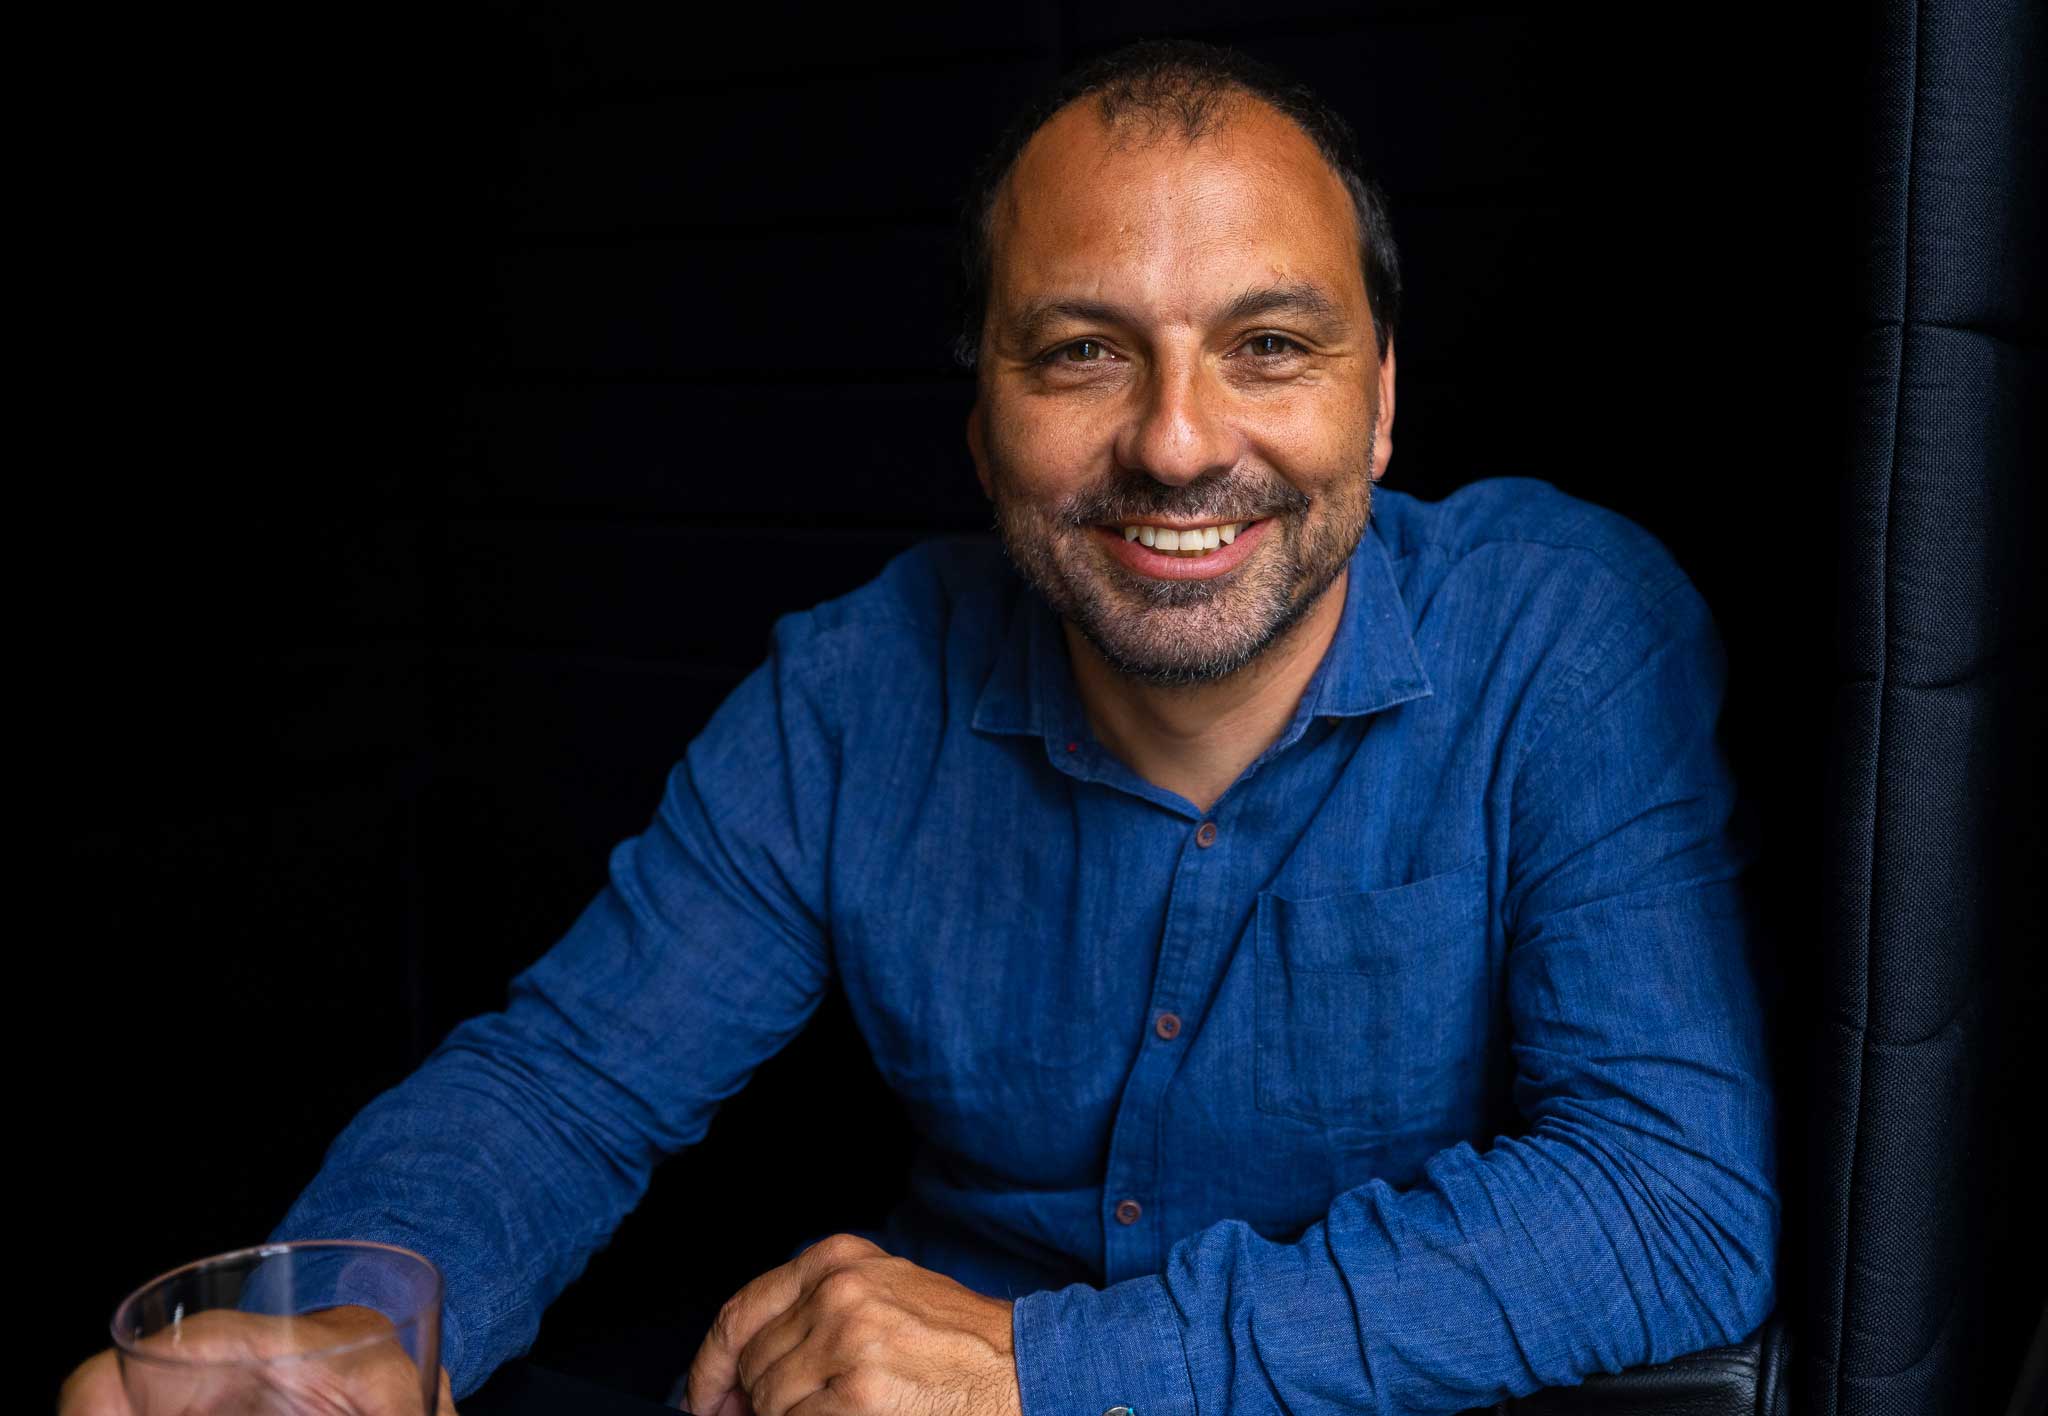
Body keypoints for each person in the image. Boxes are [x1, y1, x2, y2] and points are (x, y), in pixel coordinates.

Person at [61, 38, 1777, 1416]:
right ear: (982, 423)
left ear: (1382, 399)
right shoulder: (855, 687)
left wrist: (1042, 1372)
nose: (1178, 444)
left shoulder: (1569, 629)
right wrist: (364, 1315)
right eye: (1085, 352)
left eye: (1268, 345)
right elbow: (568, 1082)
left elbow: (1671, 1202)